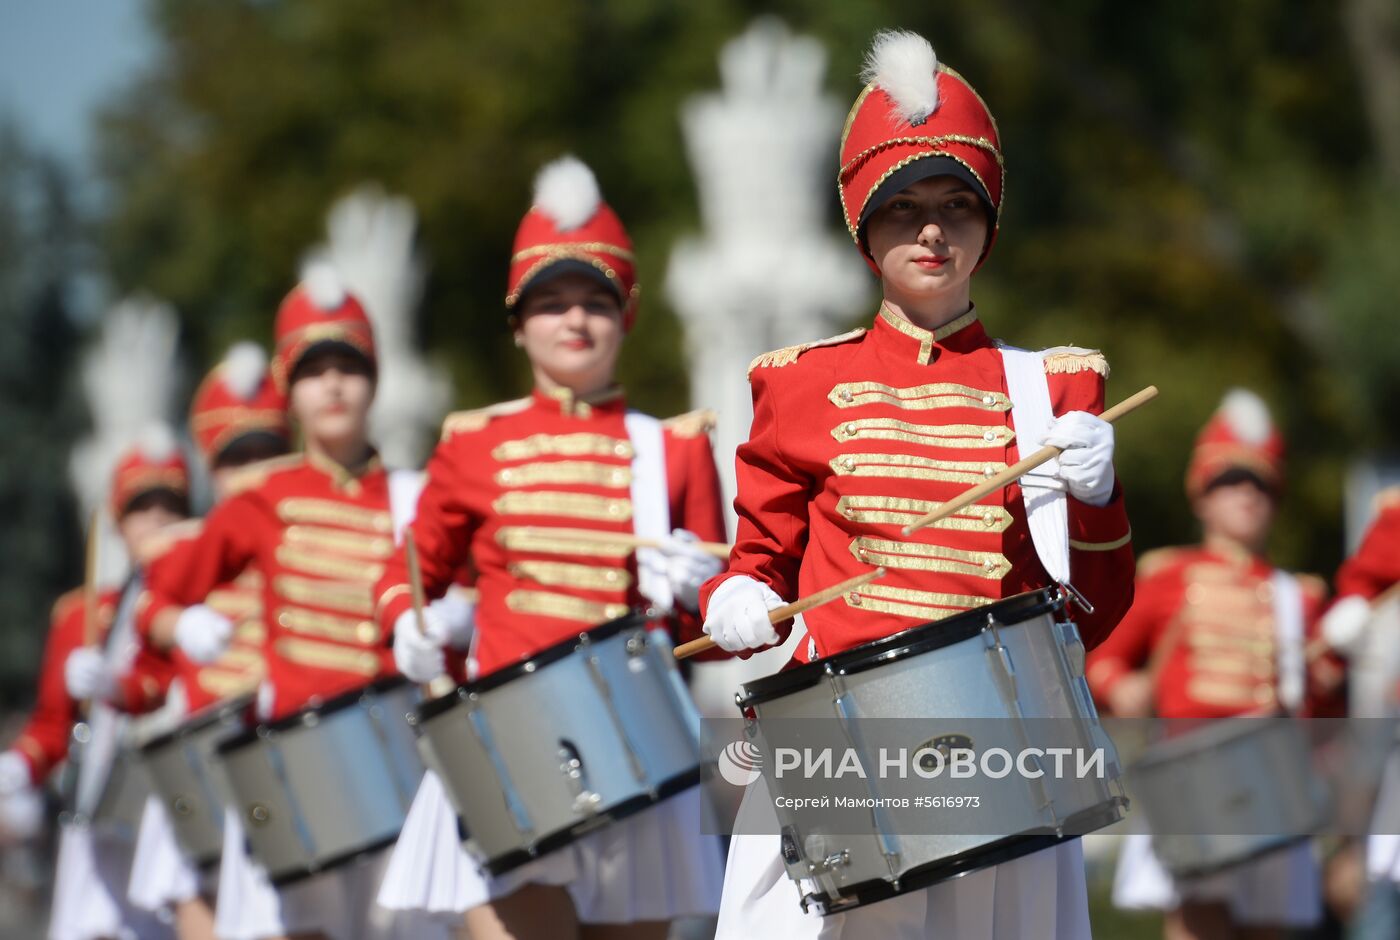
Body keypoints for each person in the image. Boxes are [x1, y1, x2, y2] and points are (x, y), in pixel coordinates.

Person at [697, 29, 1135, 939]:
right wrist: (737, 596)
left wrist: (1097, 500)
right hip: (839, 735)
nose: (932, 230)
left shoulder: (1052, 387)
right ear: (864, 227)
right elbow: (762, 558)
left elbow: (1092, 613)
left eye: (956, 206)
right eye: (902, 207)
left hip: (1001, 748)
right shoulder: (800, 381)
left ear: (988, 225)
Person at [371, 155, 728, 940]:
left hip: (638, 744)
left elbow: (716, 646)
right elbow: (409, 572)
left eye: (596, 302)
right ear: (519, 319)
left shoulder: (671, 449)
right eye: (551, 302)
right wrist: (411, 624)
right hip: (507, 742)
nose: (574, 321)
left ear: (626, 314)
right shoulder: (473, 443)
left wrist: (704, 591)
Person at [139, 271, 457, 940]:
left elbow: (469, 598)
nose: (334, 385)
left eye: (350, 366)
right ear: (290, 389)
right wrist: (181, 623)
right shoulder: (261, 497)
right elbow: (158, 599)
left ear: (375, 378)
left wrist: (459, 616)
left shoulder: (418, 495)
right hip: (295, 768)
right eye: (315, 371)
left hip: (398, 757)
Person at [1087, 389, 1339, 939]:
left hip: (1271, 774)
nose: (1247, 496)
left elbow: (1324, 704)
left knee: (1270, 924)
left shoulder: (1300, 597)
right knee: (1196, 921)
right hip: (1190, 770)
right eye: (1229, 483)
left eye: (1261, 486)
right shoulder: (1168, 577)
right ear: (1202, 495)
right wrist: (1120, 684)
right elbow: (1104, 654)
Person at [125, 343, 292, 939]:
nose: (251, 472)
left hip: (292, 766)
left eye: (267, 454)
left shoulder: (301, 531)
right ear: (209, 466)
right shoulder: (178, 550)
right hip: (204, 771)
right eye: (234, 458)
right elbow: (142, 676)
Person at [32, 431, 191, 940]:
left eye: (170, 505)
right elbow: (56, 723)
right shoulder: (83, 612)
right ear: (119, 522)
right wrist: (22, 763)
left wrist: (119, 688)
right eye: (142, 507)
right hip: (100, 801)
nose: (158, 519)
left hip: (164, 800)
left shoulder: (194, 598)